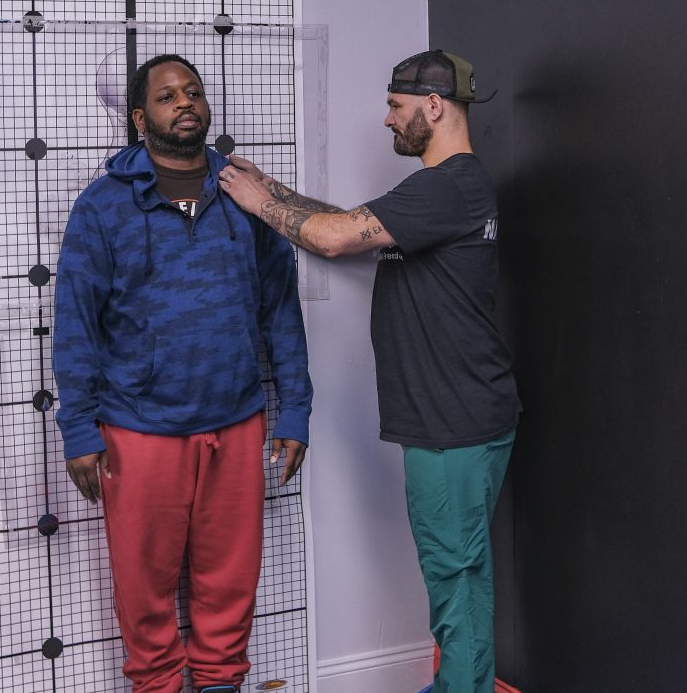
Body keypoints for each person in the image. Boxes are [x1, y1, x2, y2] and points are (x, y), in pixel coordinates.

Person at [218, 49, 520, 693]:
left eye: (394, 105)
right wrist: (269, 188)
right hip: (459, 415)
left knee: (455, 579)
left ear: (433, 106)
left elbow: (334, 238)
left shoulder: (448, 184)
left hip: (454, 422)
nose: (386, 120)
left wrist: (256, 203)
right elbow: (348, 223)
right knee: (457, 571)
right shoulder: (446, 192)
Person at [52, 54, 313, 693]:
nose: (184, 102)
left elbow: (281, 308)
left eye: (192, 91)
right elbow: (76, 320)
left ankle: (222, 683)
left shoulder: (246, 194)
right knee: (144, 590)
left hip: (237, 418)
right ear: (142, 119)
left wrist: (297, 410)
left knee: (229, 580)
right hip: (139, 430)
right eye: (167, 96)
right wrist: (78, 430)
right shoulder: (104, 206)